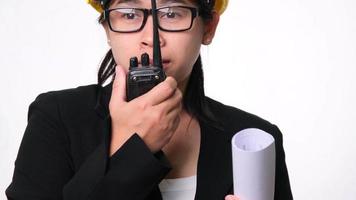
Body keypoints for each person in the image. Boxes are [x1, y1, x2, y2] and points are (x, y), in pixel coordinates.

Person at [6, 0, 293, 199]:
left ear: (208, 27)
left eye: (172, 13)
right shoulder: (57, 118)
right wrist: (128, 148)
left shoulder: (254, 137)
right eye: (129, 14)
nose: (150, 37)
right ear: (107, 28)